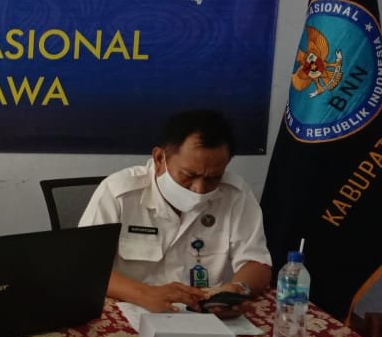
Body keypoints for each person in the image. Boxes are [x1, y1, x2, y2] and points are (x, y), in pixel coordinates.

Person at [78, 109, 271, 313]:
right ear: (159, 158)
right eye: (189, 175)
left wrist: (238, 290)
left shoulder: (236, 195)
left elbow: (257, 262)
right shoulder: (119, 193)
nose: (199, 188)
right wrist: (144, 293)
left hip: (204, 313)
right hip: (130, 308)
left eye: (213, 178)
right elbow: (86, 268)